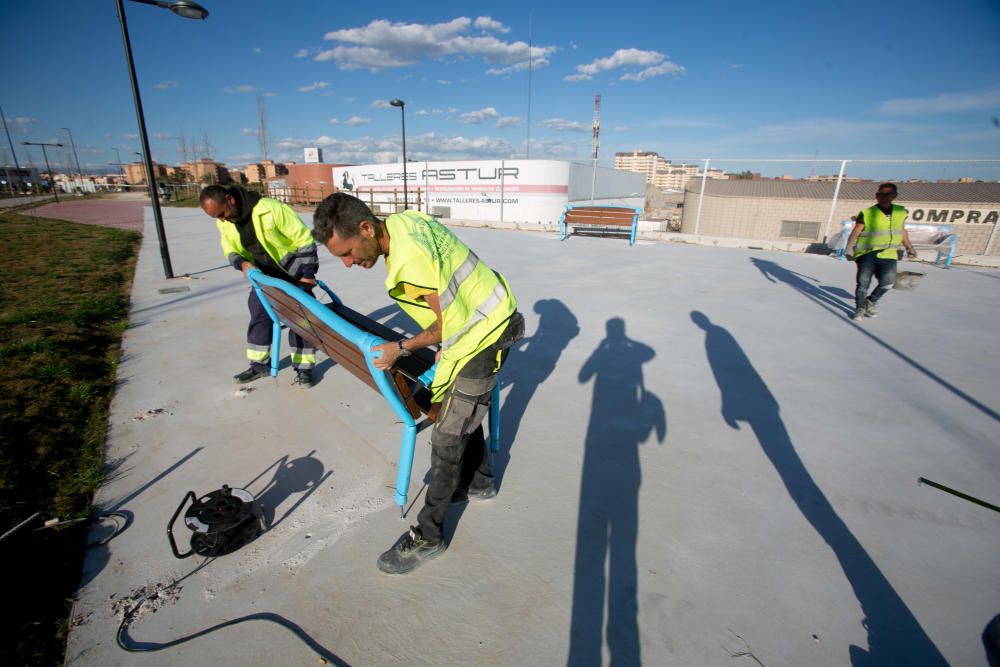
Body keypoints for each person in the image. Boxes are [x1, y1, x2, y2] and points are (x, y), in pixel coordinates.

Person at [311, 193, 524, 575]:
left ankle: (429, 535)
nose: (347, 263)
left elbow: (443, 324)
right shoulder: (403, 222)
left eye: (347, 252)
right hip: (475, 318)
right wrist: (445, 344)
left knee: (445, 435)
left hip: (486, 329)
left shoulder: (407, 258)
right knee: (449, 406)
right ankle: (479, 481)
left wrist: (400, 347)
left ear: (366, 228)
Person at [200, 184, 319, 387]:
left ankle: (304, 369)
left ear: (230, 199)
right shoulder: (225, 222)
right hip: (264, 277)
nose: (221, 219)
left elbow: (304, 240)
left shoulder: (271, 209)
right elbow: (228, 247)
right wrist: (241, 263)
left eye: (221, 213)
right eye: (216, 217)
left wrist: (307, 275)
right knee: (258, 313)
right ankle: (259, 365)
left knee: (302, 320)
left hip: (294, 274)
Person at [845, 182, 917, 321]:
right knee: (863, 283)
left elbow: (901, 231)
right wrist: (850, 246)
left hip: (889, 253)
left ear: (894, 196)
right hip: (867, 253)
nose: (883, 197)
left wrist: (909, 247)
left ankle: (871, 301)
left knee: (888, 282)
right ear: (876, 196)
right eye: (880, 194)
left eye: (887, 194)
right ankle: (859, 308)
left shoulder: (900, 212)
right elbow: (856, 231)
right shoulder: (868, 212)